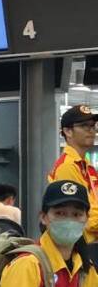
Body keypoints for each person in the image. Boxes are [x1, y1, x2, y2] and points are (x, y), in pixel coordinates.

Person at [48, 105, 98, 248]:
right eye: (84, 126)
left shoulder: (87, 166)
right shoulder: (67, 166)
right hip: (79, 246)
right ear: (68, 131)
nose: (91, 130)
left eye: (93, 126)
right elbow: (83, 214)